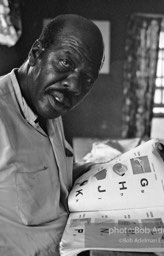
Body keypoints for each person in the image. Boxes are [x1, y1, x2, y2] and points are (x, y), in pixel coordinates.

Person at [0, 14, 104, 255]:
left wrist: (108, 168)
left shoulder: (48, 107)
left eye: (87, 79)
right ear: (36, 53)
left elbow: (51, 175)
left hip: (73, 244)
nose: (75, 87)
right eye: (66, 63)